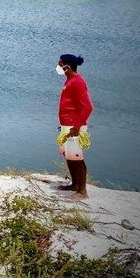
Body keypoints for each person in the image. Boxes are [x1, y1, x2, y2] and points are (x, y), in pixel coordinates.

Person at [55, 53, 93, 199]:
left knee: (77, 157)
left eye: (60, 64)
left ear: (67, 67)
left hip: (74, 127)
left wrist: (76, 127)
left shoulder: (77, 81)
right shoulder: (69, 80)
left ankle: (82, 191)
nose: (58, 67)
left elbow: (88, 107)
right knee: (69, 155)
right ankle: (74, 184)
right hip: (66, 125)